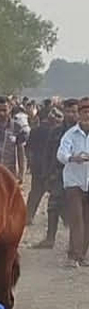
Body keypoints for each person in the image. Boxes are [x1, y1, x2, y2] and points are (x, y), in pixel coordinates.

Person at [34, 100, 77, 249]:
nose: (71, 114)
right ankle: (50, 238)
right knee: (53, 206)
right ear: (63, 112)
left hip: (78, 175)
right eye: (68, 111)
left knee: (78, 209)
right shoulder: (56, 131)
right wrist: (46, 174)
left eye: (74, 111)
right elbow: (48, 154)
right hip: (58, 174)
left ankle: (77, 243)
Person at [56, 97, 89, 268]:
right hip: (73, 182)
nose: (87, 115)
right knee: (76, 219)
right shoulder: (70, 134)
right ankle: (73, 255)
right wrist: (72, 158)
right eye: (84, 112)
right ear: (79, 115)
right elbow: (61, 154)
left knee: (87, 220)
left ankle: (82, 255)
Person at [26, 106, 63, 224]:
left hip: (39, 165)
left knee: (35, 193)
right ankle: (65, 220)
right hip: (52, 167)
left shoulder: (36, 130)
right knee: (57, 195)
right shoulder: (58, 133)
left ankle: (28, 216)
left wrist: (30, 163)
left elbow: (29, 149)